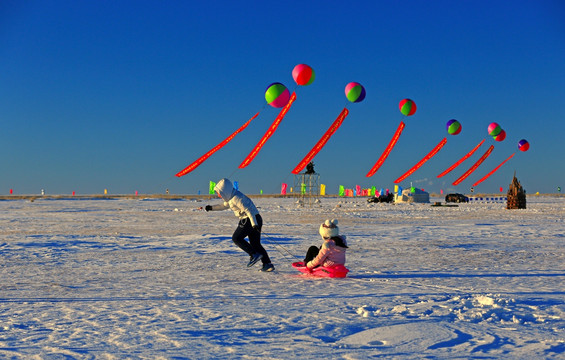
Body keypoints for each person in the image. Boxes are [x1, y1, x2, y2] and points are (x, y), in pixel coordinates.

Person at [204, 178, 275, 272]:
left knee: (236, 238)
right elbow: (224, 206)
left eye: (219, 192)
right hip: (256, 219)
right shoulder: (231, 197)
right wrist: (211, 208)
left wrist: (254, 224)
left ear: (224, 191)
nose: (218, 195)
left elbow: (248, 210)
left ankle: (254, 254)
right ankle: (267, 264)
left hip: (250, 219)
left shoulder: (237, 198)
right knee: (255, 243)